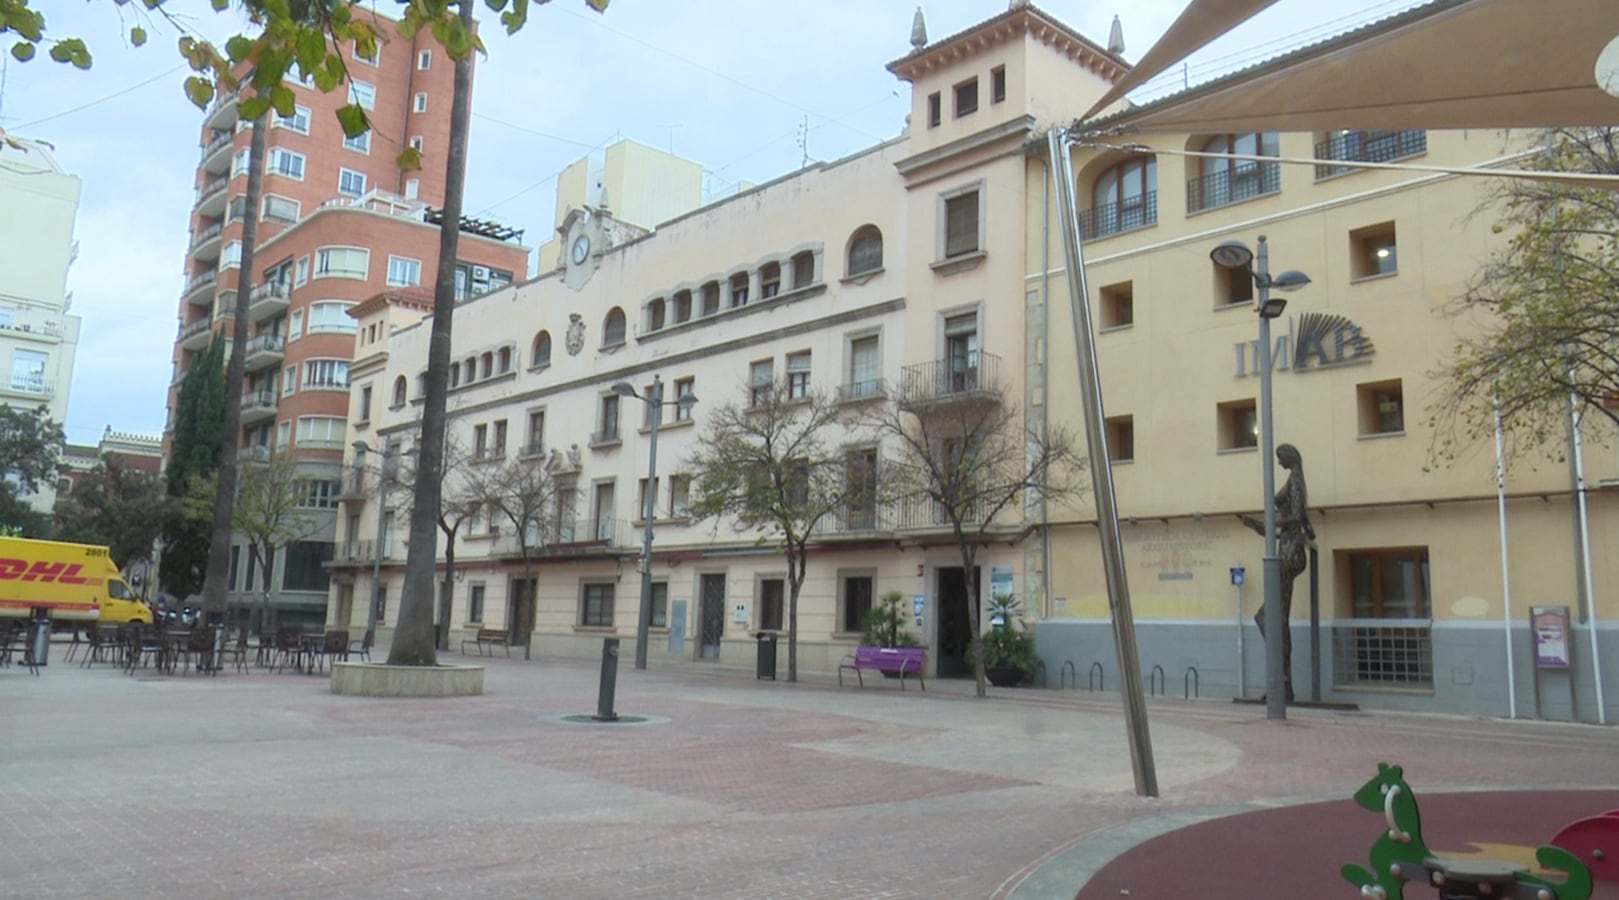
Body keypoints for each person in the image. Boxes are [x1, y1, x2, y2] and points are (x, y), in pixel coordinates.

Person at [1240, 443, 1314, 703]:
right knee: (1278, 619)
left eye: (1280, 457)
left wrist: (1270, 523)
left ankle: (1280, 679)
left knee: (1266, 617)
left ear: (1288, 457)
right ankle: (1285, 685)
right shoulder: (1297, 480)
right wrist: (1264, 529)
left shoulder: (1294, 480)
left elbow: (1294, 515)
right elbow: (1302, 520)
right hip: (1290, 548)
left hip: (1289, 555)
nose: (1278, 461)